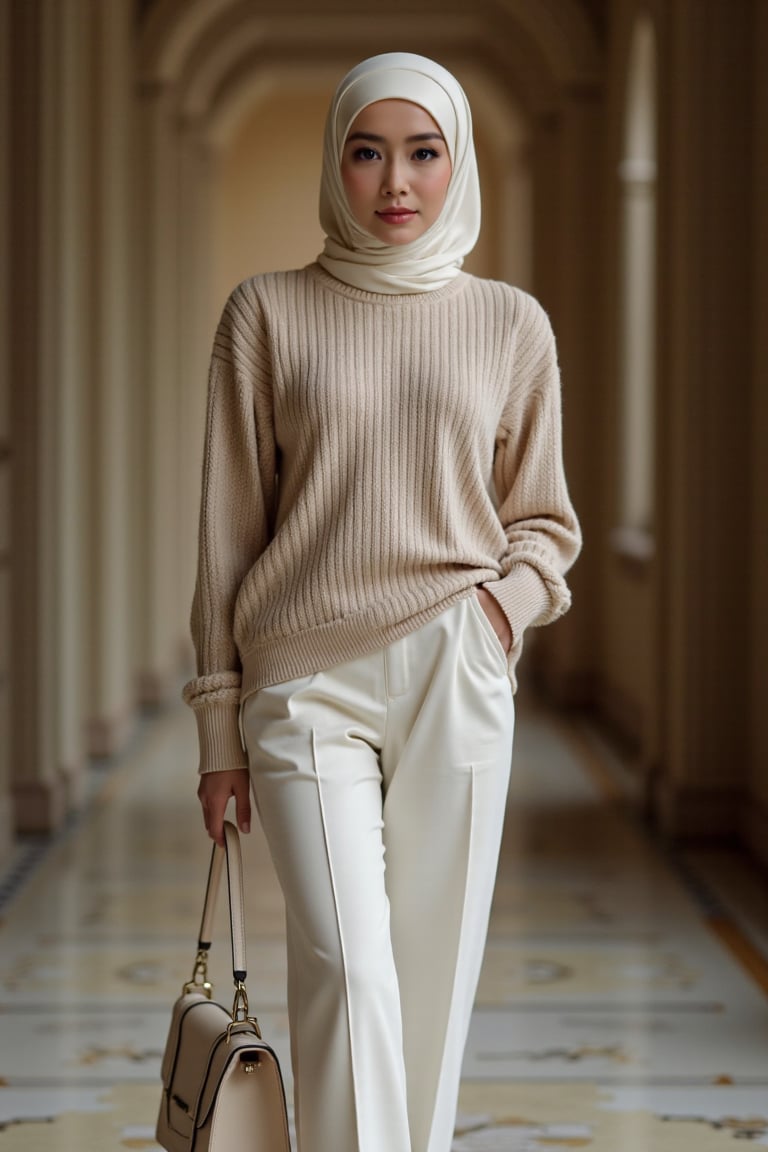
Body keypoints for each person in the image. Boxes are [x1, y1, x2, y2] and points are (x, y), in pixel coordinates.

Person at [184, 51, 581, 1152]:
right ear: (336, 164)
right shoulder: (265, 315)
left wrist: (499, 612)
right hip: (303, 679)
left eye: (424, 152)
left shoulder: (511, 324)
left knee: (431, 984)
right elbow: (228, 534)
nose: (395, 181)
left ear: (457, 165)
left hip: (457, 661)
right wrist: (219, 725)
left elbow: (545, 523)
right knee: (351, 971)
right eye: (368, 152)